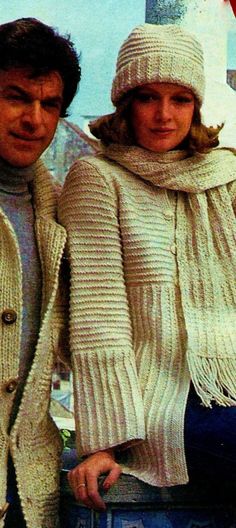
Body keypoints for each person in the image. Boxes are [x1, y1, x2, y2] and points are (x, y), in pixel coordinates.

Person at [58, 23, 236, 512]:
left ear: (196, 106)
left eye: (180, 99)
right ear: (125, 103)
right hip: (165, 404)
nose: (164, 115)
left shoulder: (226, 176)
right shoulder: (97, 178)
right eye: (147, 98)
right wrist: (103, 441)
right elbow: (100, 319)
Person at [0, 17, 80, 528]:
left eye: (49, 104)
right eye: (15, 96)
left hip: (30, 491)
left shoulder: (59, 215)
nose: (34, 119)